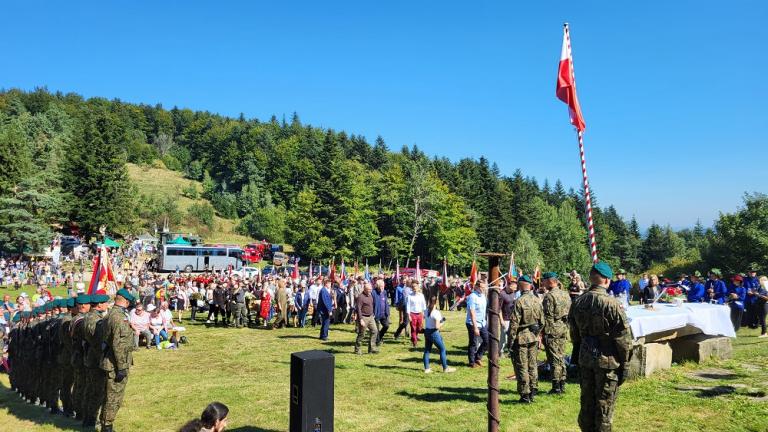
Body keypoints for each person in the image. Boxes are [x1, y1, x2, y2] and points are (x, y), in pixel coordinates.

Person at [569, 261, 632, 432]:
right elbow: (623, 339)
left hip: (586, 357)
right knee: (604, 406)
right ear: (606, 281)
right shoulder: (611, 304)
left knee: (587, 404)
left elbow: (574, 334)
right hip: (607, 361)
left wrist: (578, 353)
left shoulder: (578, 302)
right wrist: (625, 363)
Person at [100, 289, 137, 432]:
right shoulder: (119, 317)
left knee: (109, 395)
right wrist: (121, 367)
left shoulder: (111, 314)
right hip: (115, 364)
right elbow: (119, 345)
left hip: (111, 361)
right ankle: (107, 426)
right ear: (126, 302)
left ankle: (105, 423)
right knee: (114, 396)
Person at [508, 275, 543, 403]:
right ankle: (533, 390)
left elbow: (514, 324)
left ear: (521, 285)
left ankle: (525, 394)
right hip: (533, 337)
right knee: (532, 365)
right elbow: (542, 322)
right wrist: (537, 334)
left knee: (522, 366)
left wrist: (510, 342)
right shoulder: (537, 300)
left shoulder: (519, 301)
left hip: (521, 338)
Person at [82, 290, 110, 428]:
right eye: (105, 303)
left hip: (90, 358)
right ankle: (91, 419)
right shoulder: (97, 320)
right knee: (97, 391)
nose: (107, 305)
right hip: (96, 359)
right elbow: (99, 341)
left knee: (91, 389)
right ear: (99, 305)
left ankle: (87, 417)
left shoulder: (88, 316)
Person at [541, 272, 571, 395]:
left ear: (550, 281)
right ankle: (562, 383)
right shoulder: (565, 294)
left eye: (544, 280)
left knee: (554, 359)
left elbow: (547, 317)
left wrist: (543, 333)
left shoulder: (549, 296)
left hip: (552, 330)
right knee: (561, 357)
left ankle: (556, 386)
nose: (542, 283)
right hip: (563, 329)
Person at [423, 295, 456, 373]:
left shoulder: (426, 310)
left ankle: (427, 368)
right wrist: (443, 323)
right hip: (434, 333)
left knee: (427, 350)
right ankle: (445, 368)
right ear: (436, 302)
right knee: (442, 349)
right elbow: (437, 326)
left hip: (427, 331)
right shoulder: (436, 312)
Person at [465, 281, 488, 368]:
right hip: (473, 323)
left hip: (482, 323)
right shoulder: (472, 297)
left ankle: (478, 357)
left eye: (484, 287)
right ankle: (471, 362)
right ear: (477, 287)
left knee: (487, 341)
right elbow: (472, 312)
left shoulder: (483, 296)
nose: (484, 289)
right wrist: (475, 327)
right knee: (473, 343)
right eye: (482, 287)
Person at [354, 281, 379, 354]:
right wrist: (361, 319)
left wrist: (373, 313)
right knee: (362, 334)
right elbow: (358, 309)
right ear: (364, 289)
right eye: (368, 289)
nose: (370, 291)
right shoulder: (360, 297)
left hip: (371, 317)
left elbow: (372, 305)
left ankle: (372, 348)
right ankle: (357, 349)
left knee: (375, 331)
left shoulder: (370, 295)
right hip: (363, 317)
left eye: (371, 289)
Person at [499, 278, 517, 356]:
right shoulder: (502, 294)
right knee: (503, 337)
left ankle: (509, 351)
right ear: (509, 286)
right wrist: (501, 320)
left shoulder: (513, 293)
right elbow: (498, 309)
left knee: (511, 336)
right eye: (514, 287)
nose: (515, 289)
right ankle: (500, 352)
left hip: (512, 318)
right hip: (505, 319)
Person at [406, 281, 427, 348]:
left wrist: (424, 314)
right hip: (412, 314)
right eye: (413, 287)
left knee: (419, 328)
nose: (414, 288)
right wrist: (408, 315)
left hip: (420, 314)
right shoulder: (410, 296)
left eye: (415, 286)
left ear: (418, 287)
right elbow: (408, 306)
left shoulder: (421, 295)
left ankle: (414, 337)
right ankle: (414, 342)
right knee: (413, 328)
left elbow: (424, 305)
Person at [372, 278, 390, 346]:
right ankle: (378, 341)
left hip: (383, 314)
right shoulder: (373, 292)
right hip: (376, 313)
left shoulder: (384, 292)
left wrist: (387, 312)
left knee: (386, 326)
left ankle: (379, 336)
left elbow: (386, 302)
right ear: (377, 286)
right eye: (381, 286)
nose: (382, 288)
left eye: (383, 286)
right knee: (376, 329)